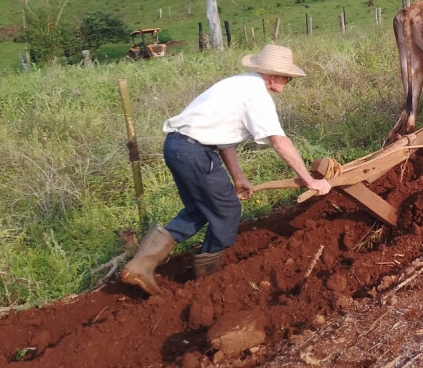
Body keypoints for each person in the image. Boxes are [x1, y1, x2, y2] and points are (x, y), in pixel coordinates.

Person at [120, 43, 340, 295]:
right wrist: (310, 181)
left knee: (200, 209)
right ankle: (205, 283)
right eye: (288, 77)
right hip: (194, 152)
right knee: (227, 211)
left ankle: (141, 265)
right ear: (274, 75)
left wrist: (238, 178)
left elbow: (224, 141)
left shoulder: (238, 84)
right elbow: (280, 142)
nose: (289, 82)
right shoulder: (257, 96)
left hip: (177, 147)